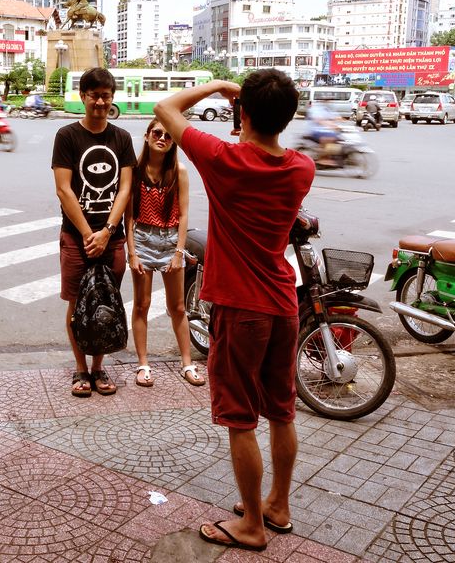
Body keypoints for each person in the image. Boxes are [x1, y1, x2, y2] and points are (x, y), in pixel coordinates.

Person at [154, 69, 315, 552]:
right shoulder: (300, 168)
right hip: (283, 304)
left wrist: (219, 90)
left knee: (240, 419)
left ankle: (251, 526)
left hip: (240, 308)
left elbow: (165, 110)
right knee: (282, 412)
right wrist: (243, 110)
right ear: (286, 118)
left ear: (242, 112)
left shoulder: (224, 159)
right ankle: (278, 506)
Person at [52, 67, 136, 398]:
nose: (100, 101)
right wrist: (90, 234)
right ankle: (80, 369)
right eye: (94, 95)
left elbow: (125, 188)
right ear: (83, 97)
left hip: (112, 240)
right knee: (76, 305)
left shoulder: (122, 138)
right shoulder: (67, 136)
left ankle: (98, 367)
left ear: (111, 98)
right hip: (76, 239)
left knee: (106, 305)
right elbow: (64, 190)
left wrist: (108, 231)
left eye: (105, 95)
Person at [125, 119, 203, 389]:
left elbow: (183, 215)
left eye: (168, 136)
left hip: (171, 240)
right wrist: (132, 253)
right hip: (143, 239)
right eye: (157, 133)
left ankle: (187, 364)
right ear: (147, 136)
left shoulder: (178, 171)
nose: (162, 138)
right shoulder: (134, 171)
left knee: (178, 307)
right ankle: (143, 364)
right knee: (142, 305)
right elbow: (129, 216)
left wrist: (179, 252)